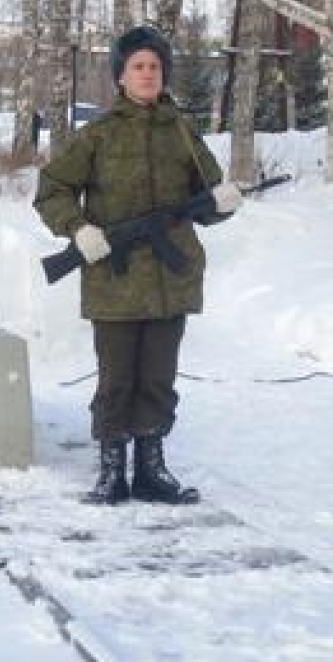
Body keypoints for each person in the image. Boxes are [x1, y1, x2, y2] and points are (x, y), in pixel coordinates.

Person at [34, 25, 242, 506]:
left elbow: (206, 198)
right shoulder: (98, 134)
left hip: (171, 279)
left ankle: (151, 469)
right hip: (116, 277)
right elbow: (52, 190)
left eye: (155, 66)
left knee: (158, 379)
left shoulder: (182, 133)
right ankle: (112, 471)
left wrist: (224, 203)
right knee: (117, 381)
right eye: (138, 66)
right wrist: (78, 229)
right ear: (121, 76)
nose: (148, 74)